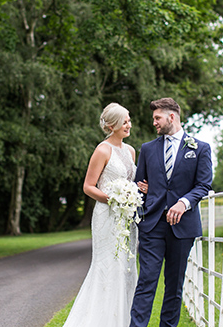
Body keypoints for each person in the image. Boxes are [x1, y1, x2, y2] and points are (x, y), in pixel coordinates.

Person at [63, 103, 149, 327]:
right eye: (124, 121)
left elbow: (132, 182)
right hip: (107, 216)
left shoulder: (130, 151)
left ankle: (123, 320)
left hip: (128, 218)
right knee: (108, 266)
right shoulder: (102, 150)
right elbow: (88, 186)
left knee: (126, 267)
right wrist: (113, 199)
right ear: (112, 125)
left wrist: (139, 190)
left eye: (129, 120)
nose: (128, 124)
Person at [130, 98, 212, 327]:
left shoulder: (200, 148)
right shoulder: (147, 149)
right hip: (152, 226)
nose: (154, 122)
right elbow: (140, 184)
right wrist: (142, 191)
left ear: (171, 117)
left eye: (157, 118)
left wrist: (183, 203)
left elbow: (203, 185)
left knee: (174, 286)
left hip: (183, 227)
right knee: (146, 282)